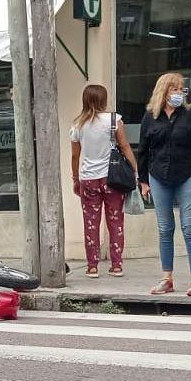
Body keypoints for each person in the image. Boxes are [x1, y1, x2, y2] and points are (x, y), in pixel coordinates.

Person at [137, 72, 191, 297]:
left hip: (188, 174)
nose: (179, 93)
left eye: (181, 90)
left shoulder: (188, 114)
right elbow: (143, 150)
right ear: (164, 91)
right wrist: (143, 181)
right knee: (164, 228)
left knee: (189, 226)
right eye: (175, 89)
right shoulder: (150, 116)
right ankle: (166, 278)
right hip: (158, 176)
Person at [70, 84, 138, 278]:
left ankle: (92, 266)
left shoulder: (77, 125)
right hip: (112, 178)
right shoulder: (114, 120)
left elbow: (75, 156)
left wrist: (75, 178)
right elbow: (124, 147)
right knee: (115, 220)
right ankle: (117, 265)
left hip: (88, 179)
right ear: (103, 100)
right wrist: (134, 170)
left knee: (91, 222)